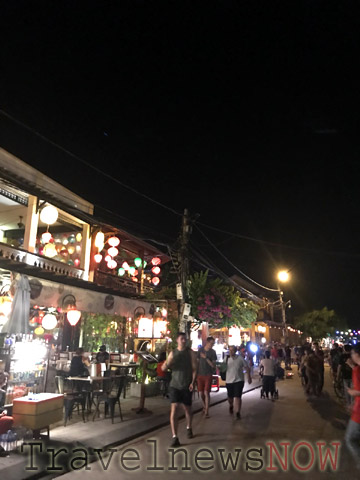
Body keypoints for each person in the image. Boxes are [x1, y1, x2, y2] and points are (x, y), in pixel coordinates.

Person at [162, 332, 197, 447]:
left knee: (187, 409)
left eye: (185, 339)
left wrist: (192, 382)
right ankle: (174, 437)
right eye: (182, 339)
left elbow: (194, 368)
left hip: (186, 384)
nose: (184, 341)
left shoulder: (190, 353)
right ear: (177, 340)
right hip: (175, 385)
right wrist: (166, 365)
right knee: (174, 408)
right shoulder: (173, 353)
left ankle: (189, 427)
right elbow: (164, 367)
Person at [224, 345, 252, 419]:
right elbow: (223, 368)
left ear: (235, 351)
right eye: (229, 350)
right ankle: (231, 405)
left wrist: (249, 377)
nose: (230, 351)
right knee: (230, 397)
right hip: (229, 381)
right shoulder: (226, 359)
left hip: (239, 380)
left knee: (237, 396)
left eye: (232, 350)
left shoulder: (240, 358)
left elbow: (247, 367)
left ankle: (237, 412)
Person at [345, 344, 360, 470]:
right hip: (357, 407)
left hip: (359, 412)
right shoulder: (356, 369)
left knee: (350, 439)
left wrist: (354, 393)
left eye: (352, 354)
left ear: (357, 355)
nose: (351, 356)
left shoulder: (357, 371)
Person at [197, 337, 217, 418]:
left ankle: (207, 411)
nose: (212, 345)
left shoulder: (213, 352)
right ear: (207, 342)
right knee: (201, 393)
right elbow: (197, 362)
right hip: (199, 374)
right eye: (211, 343)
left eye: (213, 343)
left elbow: (213, 365)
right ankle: (204, 406)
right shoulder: (200, 350)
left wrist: (206, 358)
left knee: (206, 392)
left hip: (208, 374)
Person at [338, 344, 354, 410]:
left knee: (347, 390)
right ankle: (352, 405)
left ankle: (348, 404)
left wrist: (338, 375)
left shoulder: (342, 356)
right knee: (353, 390)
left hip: (345, 375)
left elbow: (339, 366)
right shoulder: (354, 355)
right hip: (353, 376)